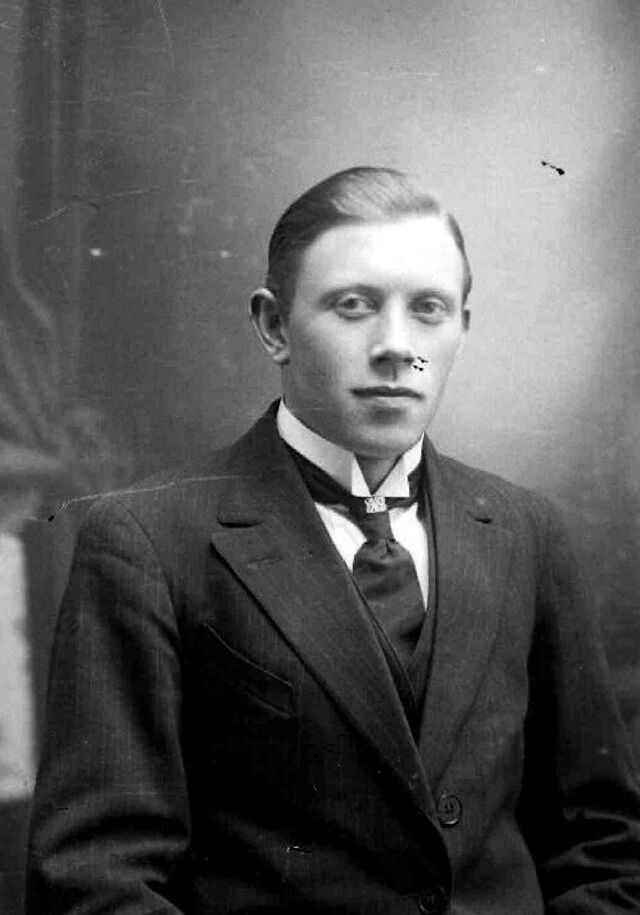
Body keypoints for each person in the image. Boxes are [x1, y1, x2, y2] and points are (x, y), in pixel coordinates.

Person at [27, 167, 640, 914]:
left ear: (463, 327)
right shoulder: (148, 541)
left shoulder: (525, 532)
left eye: (428, 310)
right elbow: (97, 878)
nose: (397, 348)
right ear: (274, 326)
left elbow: (605, 845)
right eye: (354, 306)